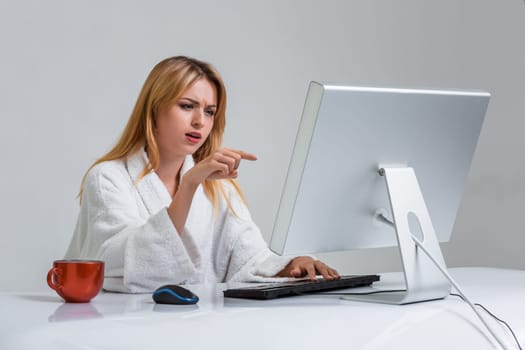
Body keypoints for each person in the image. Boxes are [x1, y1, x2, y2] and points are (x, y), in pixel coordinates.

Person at [65, 56, 340, 293]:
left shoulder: (217, 187)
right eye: (187, 106)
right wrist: (189, 186)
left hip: (202, 326)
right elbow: (120, 262)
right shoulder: (108, 178)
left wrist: (291, 266)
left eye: (210, 112)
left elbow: (249, 259)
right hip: (119, 327)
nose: (200, 121)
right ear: (153, 109)